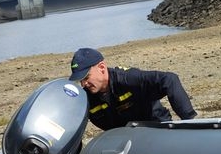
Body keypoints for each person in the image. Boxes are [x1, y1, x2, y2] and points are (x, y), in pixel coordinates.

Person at [68, 47, 197, 131]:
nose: (84, 84)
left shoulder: (128, 79)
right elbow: (72, 128)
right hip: (124, 139)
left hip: (156, 129)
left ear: (102, 68)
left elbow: (170, 79)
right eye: (80, 80)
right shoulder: (85, 98)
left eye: (87, 77)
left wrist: (189, 122)